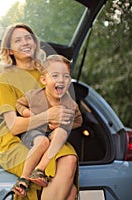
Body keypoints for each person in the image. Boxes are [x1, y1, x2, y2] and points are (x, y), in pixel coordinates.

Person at [0, 22, 79, 200]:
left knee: (70, 161)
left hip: (49, 135)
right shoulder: (5, 79)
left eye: (28, 38)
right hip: (16, 141)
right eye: (17, 40)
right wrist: (48, 116)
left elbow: (65, 107)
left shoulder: (49, 71)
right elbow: (14, 127)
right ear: (9, 50)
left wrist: (61, 119)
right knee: (67, 192)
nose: (24, 42)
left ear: (35, 43)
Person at [15, 54, 83, 190]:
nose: (61, 80)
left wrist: (63, 125)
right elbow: (19, 104)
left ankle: (39, 170)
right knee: (43, 142)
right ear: (44, 80)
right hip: (34, 133)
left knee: (61, 132)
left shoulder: (70, 104)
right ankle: (23, 178)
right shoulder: (34, 96)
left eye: (66, 76)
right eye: (55, 76)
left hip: (52, 135)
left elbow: (79, 121)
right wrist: (29, 114)